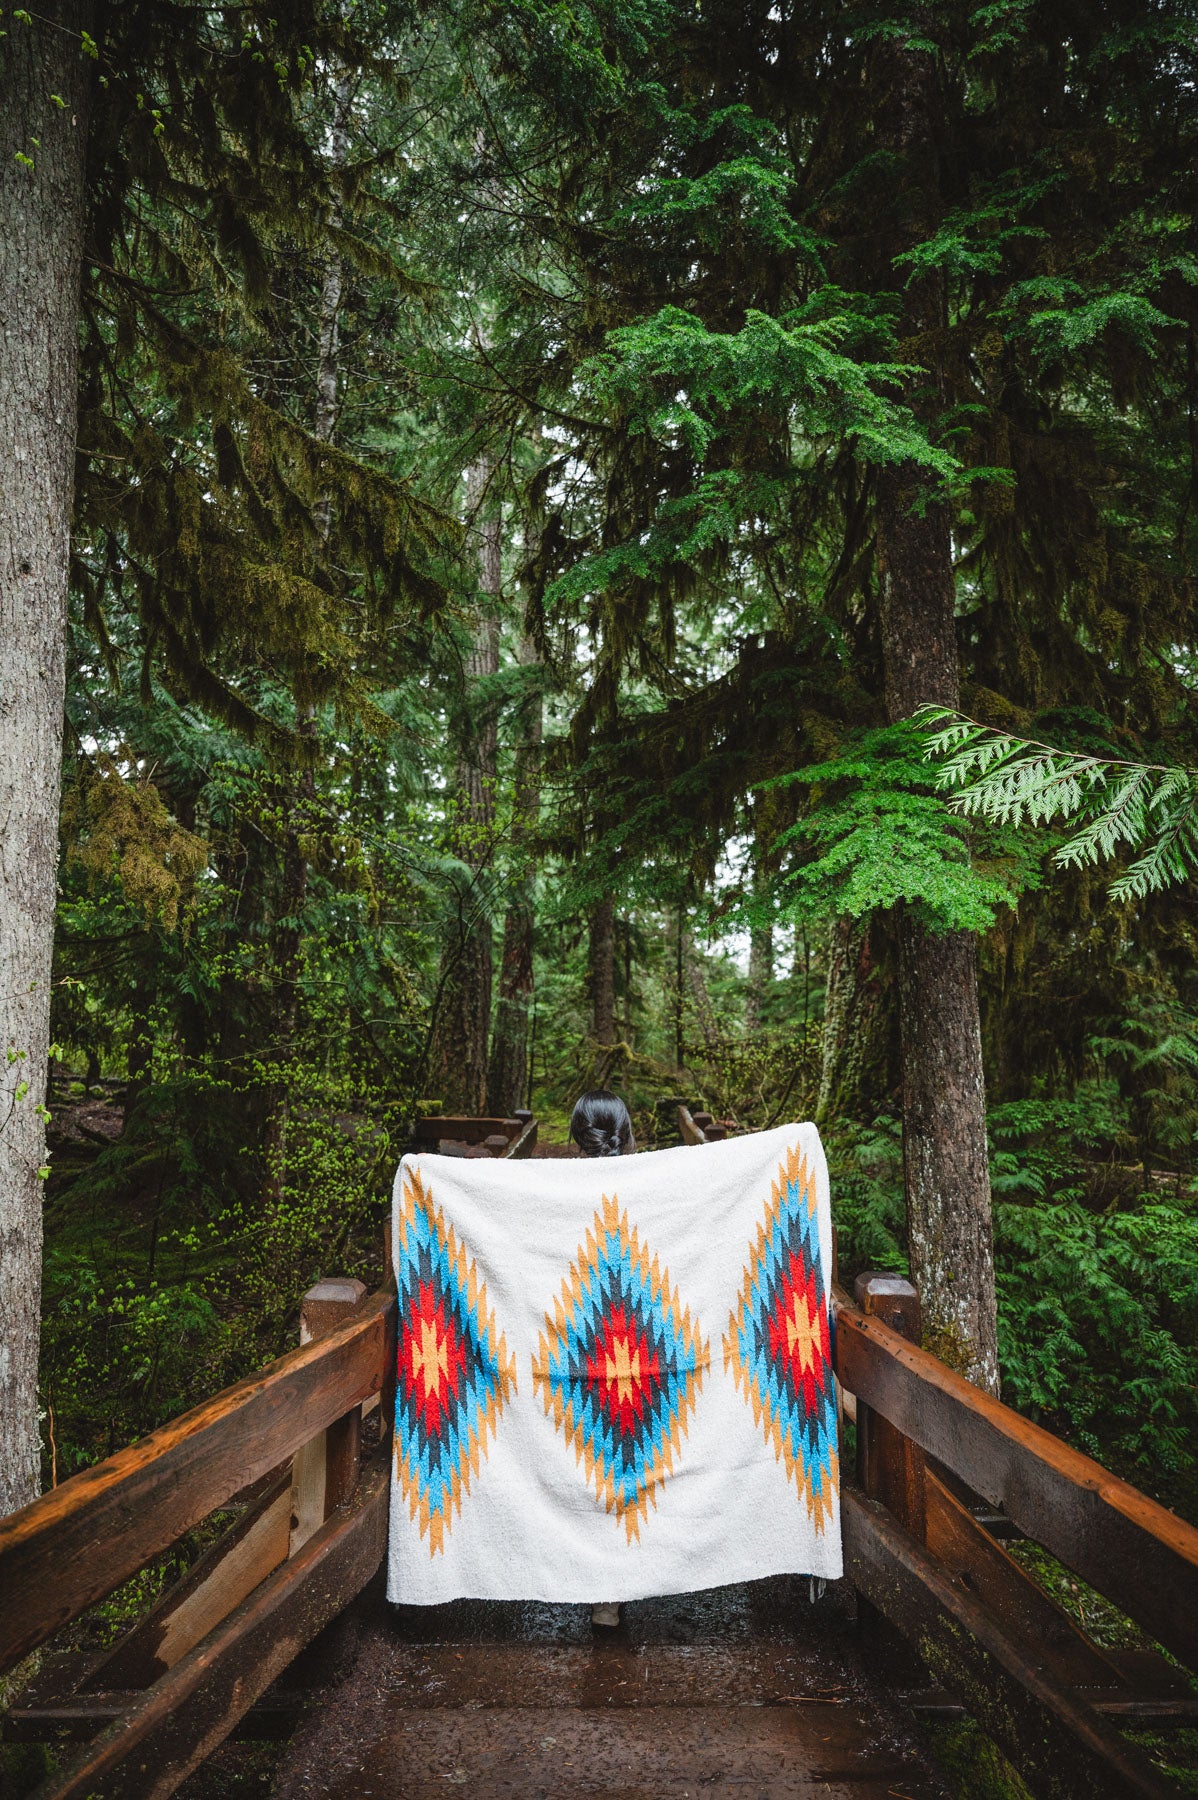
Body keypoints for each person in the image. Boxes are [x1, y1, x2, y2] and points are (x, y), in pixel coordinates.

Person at [569, 1089, 634, 1630]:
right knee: (635, 1461)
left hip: (576, 1351)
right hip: (642, 1350)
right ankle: (625, 1579)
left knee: (586, 1459)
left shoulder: (554, 1193)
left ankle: (597, 1588)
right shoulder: (652, 1189)